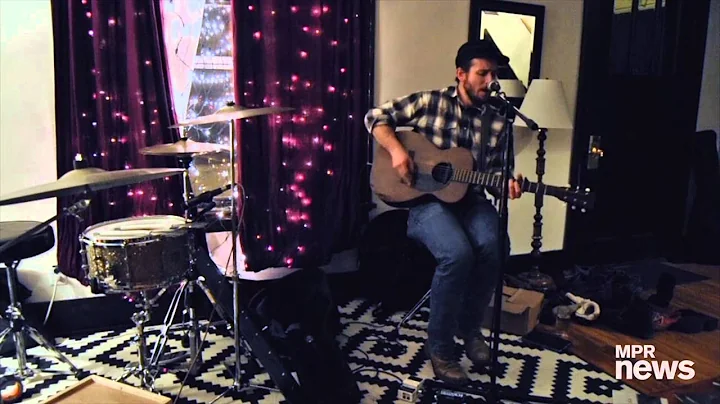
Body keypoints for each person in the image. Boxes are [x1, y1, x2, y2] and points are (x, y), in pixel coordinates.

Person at [364, 40, 524, 385]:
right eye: (482, 73)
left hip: (472, 199)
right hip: (424, 200)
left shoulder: (499, 123)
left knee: (496, 245)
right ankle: (440, 349)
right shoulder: (429, 102)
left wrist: (508, 185)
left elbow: (498, 178)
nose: (490, 80)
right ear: (461, 74)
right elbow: (375, 117)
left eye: (493, 74)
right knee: (457, 254)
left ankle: (471, 330)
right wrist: (397, 152)